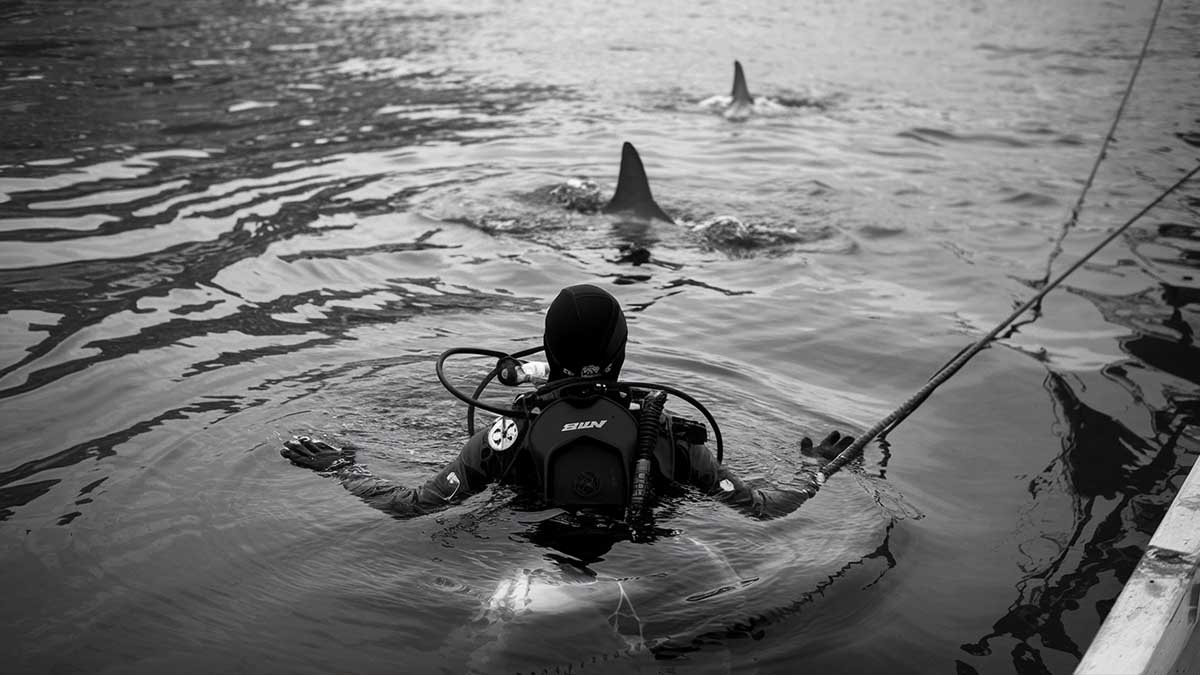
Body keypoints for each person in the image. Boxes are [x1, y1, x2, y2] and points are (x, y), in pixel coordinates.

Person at [281, 284, 853, 522]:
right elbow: (762, 509)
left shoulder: (505, 437)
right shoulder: (669, 436)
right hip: (653, 560)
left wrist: (344, 468)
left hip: (523, 551)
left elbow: (411, 506)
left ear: (548, 352)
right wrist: (818, 471)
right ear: (621, 352)